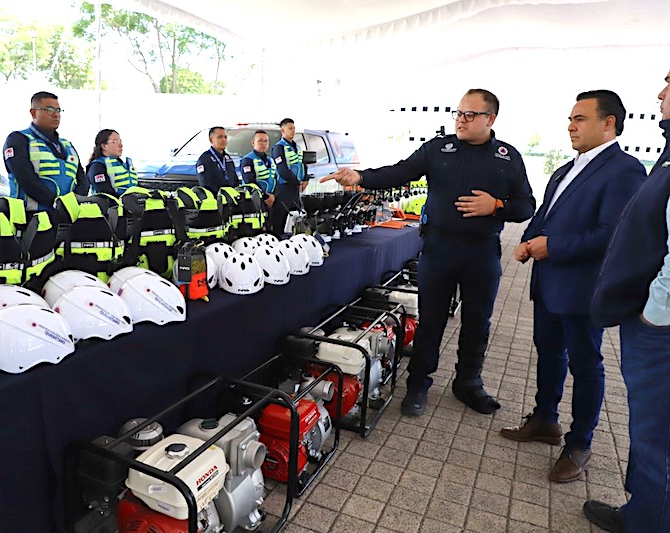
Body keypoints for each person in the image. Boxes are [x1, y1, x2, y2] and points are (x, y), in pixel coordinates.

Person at [323, 89, 536, 416]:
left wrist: (496, 206)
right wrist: (361, 177)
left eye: (470, 115)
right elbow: (400, 171)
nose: (461, 120)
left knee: (478, 322)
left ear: (490, 119)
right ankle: (418, 385)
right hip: (439, 248)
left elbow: (526, 206)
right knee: (431, 319)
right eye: (458, 113)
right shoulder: (439, 149)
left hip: (482, 252)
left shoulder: (507, 157)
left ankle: (468, 383)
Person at [500, 91, 646, 484]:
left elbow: (612, 233)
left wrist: (554, 246)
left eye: (580, 118)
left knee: (585, 364)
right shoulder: (567, 168)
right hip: (548, 282)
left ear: (608, 123)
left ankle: (580, 443)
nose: (571, 126)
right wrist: (530, 240)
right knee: (548, 352)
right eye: (570, 118)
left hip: (582, 288)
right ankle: (545, 420)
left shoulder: (625, 170)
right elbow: (546, 213)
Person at [583, 71, 670, 533]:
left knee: (658, 435)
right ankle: (643, 512)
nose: (660, 93)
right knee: (650, 430)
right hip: (653, 323)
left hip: (661, 329)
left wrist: (652, 312)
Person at [3, 91, 88, 213]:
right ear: (33, 113)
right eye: (49, 109)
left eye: (58, 110)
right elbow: (26, 179)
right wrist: (56, 203)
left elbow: (82, 179)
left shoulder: (68, 145)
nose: (56, 115)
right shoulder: (18, 139)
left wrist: (74, 203)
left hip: (69, 215)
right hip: (31, 219)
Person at [271, 118, 308, 235]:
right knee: (282, 218)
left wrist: (305, 179)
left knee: (296, 217)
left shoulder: (297, 147)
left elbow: (303, 164)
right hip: (284, 188)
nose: (293, 131)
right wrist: (296, 182)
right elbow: (282, 169)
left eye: (294, 128)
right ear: (283, 130)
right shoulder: (279, 147)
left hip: (296, 188)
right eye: (290, 128)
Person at [86, 129, 139, 196]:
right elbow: (103, 191)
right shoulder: (97, 166)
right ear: (104, 146)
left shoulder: (123, 165)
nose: (121, 145)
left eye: (120, 141)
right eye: (115, 142)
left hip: (130, 204)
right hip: (111, 205)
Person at [241, 129, 277, 209]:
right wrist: (265, 197)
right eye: (260, 141)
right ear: (253, 143)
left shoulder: (270, 160)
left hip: (271, 200)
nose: (263, 144)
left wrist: (273, 196)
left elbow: (276, 179)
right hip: (254, 200)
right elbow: (249, 181)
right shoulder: (248, 159)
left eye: (266, 141)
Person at [196, 126, 238, 193]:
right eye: (220, 137)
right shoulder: (204, 160)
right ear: (211, 140)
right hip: (215, 200)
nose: (224, 140)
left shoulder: (228, 159)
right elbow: (205, 185)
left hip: (231, 199)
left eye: (225, 137)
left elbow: (235, 181)